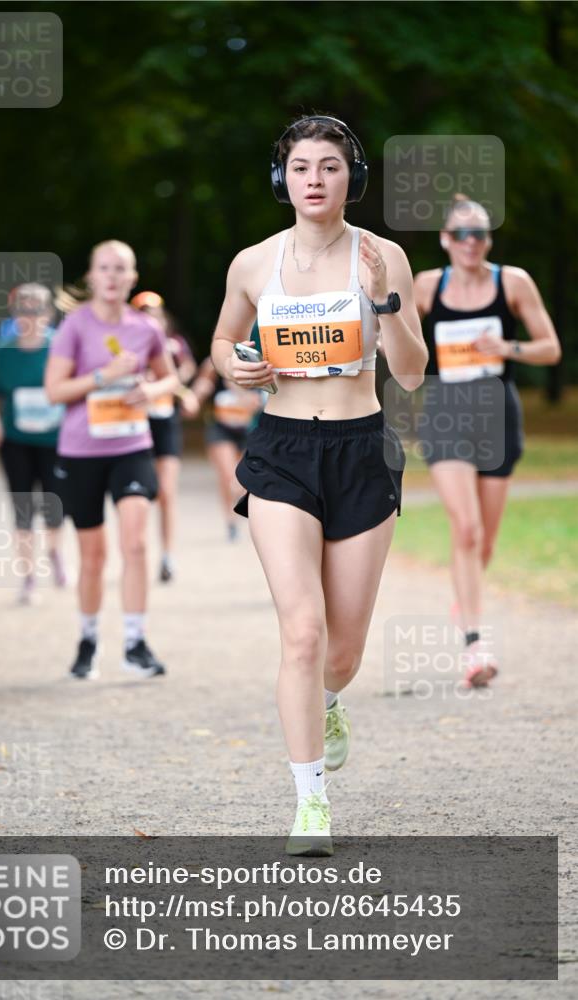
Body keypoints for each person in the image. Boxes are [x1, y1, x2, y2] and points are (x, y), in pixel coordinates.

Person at [210, 116, 427, 856]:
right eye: (299, 166)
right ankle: (310, 803)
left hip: (361, 448)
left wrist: (383, 304)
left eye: (329, 166)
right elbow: (220, 340)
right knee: (300, 631)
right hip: (282, 450)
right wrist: (231, 366)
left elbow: (410, 371)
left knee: (341, 649)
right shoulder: (251, 263)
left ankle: (330, 701)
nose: (313, 178)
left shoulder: (383, 257)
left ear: (349, 178)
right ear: (282, 180)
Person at [413, 194, 561, 688]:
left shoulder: (512, 281)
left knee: (487, 541)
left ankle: (465, 597)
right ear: (444, 240)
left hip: (498, 414)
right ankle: (474, 644)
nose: (470, 242)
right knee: (468, 530)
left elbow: (551, 348)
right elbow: (399, 340)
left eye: (479, 233)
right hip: (447, 415)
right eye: (460, 234)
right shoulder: (428, 286)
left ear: (488, 239)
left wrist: (509, 347)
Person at [45, 240, 179, 680]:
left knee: (136, 543)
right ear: (91, 276)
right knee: (94, 555)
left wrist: (153, 391)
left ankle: (135, 643)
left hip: (132, 446)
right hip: (81, 451)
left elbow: (170, 378)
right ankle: (87, 640)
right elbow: (55, 391)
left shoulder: (146, 329)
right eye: (104, 268)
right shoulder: (74, 327)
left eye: (121, 269)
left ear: (133, 278)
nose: (112, 276)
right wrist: (104, 377)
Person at [0, 283, 67, 605]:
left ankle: (56, 552)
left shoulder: (60, 348)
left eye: (35, 310)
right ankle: (28, 576)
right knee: (22, 507)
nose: (28, 316)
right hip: (15, 440)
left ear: (48, 314)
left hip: (54, 440)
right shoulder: (4, 349)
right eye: (22, 309)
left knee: (54, 505)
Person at [131, 290, 199, 582]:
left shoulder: (174, 343)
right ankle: (136, 552)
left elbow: (186, 367)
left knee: (166, 492)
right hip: (135, 424)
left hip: (165, 420)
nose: (151, 318)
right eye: (144, 313)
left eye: (155, 313)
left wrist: (176, 386)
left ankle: (168, 556)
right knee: (138, 495)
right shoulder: (125, 343)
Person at [191, 353, 264, 542]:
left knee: (242, 481)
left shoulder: (259, 362)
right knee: (227, 477)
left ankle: (243, 514)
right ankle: (230, 522)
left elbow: (260, 401)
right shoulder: (214, 363)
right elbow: (199, 392)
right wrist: (198, 393)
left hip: (248, 429)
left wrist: (244, 395)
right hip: (221, 429)